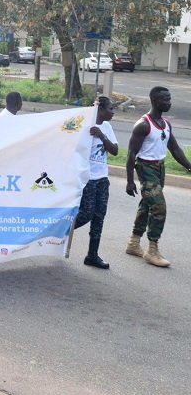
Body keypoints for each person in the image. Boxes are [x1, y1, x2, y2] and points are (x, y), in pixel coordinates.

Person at [125, 86, 191, 267]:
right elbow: (131, 155)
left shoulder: (165, 124)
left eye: (169, 99)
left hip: (159, 169)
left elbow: (175, 149)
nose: (169, 103)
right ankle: (152, 250)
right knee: (159, 207)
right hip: (146, 169)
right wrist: (130, 181)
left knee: (147, 206)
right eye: (165, 100)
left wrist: (189, 167)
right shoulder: (143, 125)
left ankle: (133, 243)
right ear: (155, 101)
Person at [73, 96, 118, 269]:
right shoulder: (84, 127)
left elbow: (114, 150)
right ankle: (62, 231)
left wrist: (102, 136)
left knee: (99, 217)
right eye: (111, 109)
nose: (113, 112)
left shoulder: (106, 127)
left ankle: (92, 255)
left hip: (102, 179)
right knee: (86, 213)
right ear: (100, 110)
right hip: (88, 179)